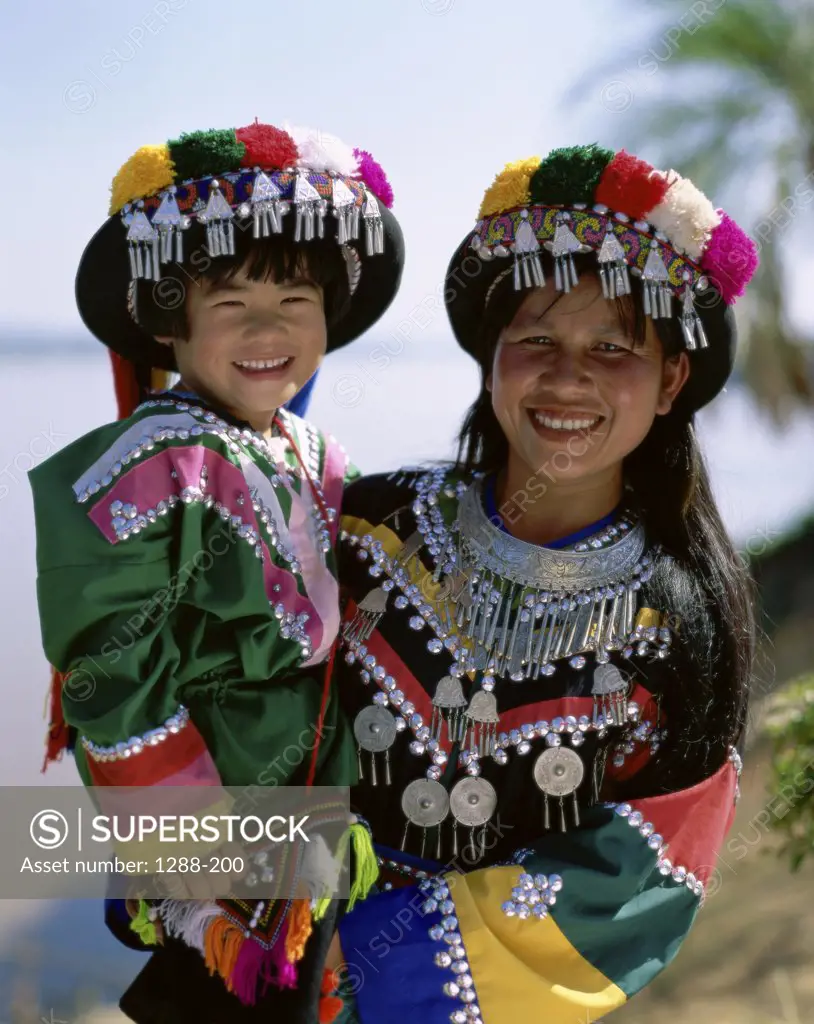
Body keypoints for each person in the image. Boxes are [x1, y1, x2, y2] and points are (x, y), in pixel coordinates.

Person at [330, 143, 757, 1022]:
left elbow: (647, 874)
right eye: (536, 339)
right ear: (492, 358)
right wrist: (235, 898)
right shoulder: (366, 530)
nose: (569, 377)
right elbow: (254, 720)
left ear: (672, 378)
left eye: (613, 346)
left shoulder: (682, 624)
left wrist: (379, 958)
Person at [29, 118, 403, 1024]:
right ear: (173, 323)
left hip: (319, 818)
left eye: (297, 301)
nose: (268, 329)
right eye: (231, 303)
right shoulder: (144, 467)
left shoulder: (314, 452)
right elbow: (109, 673)